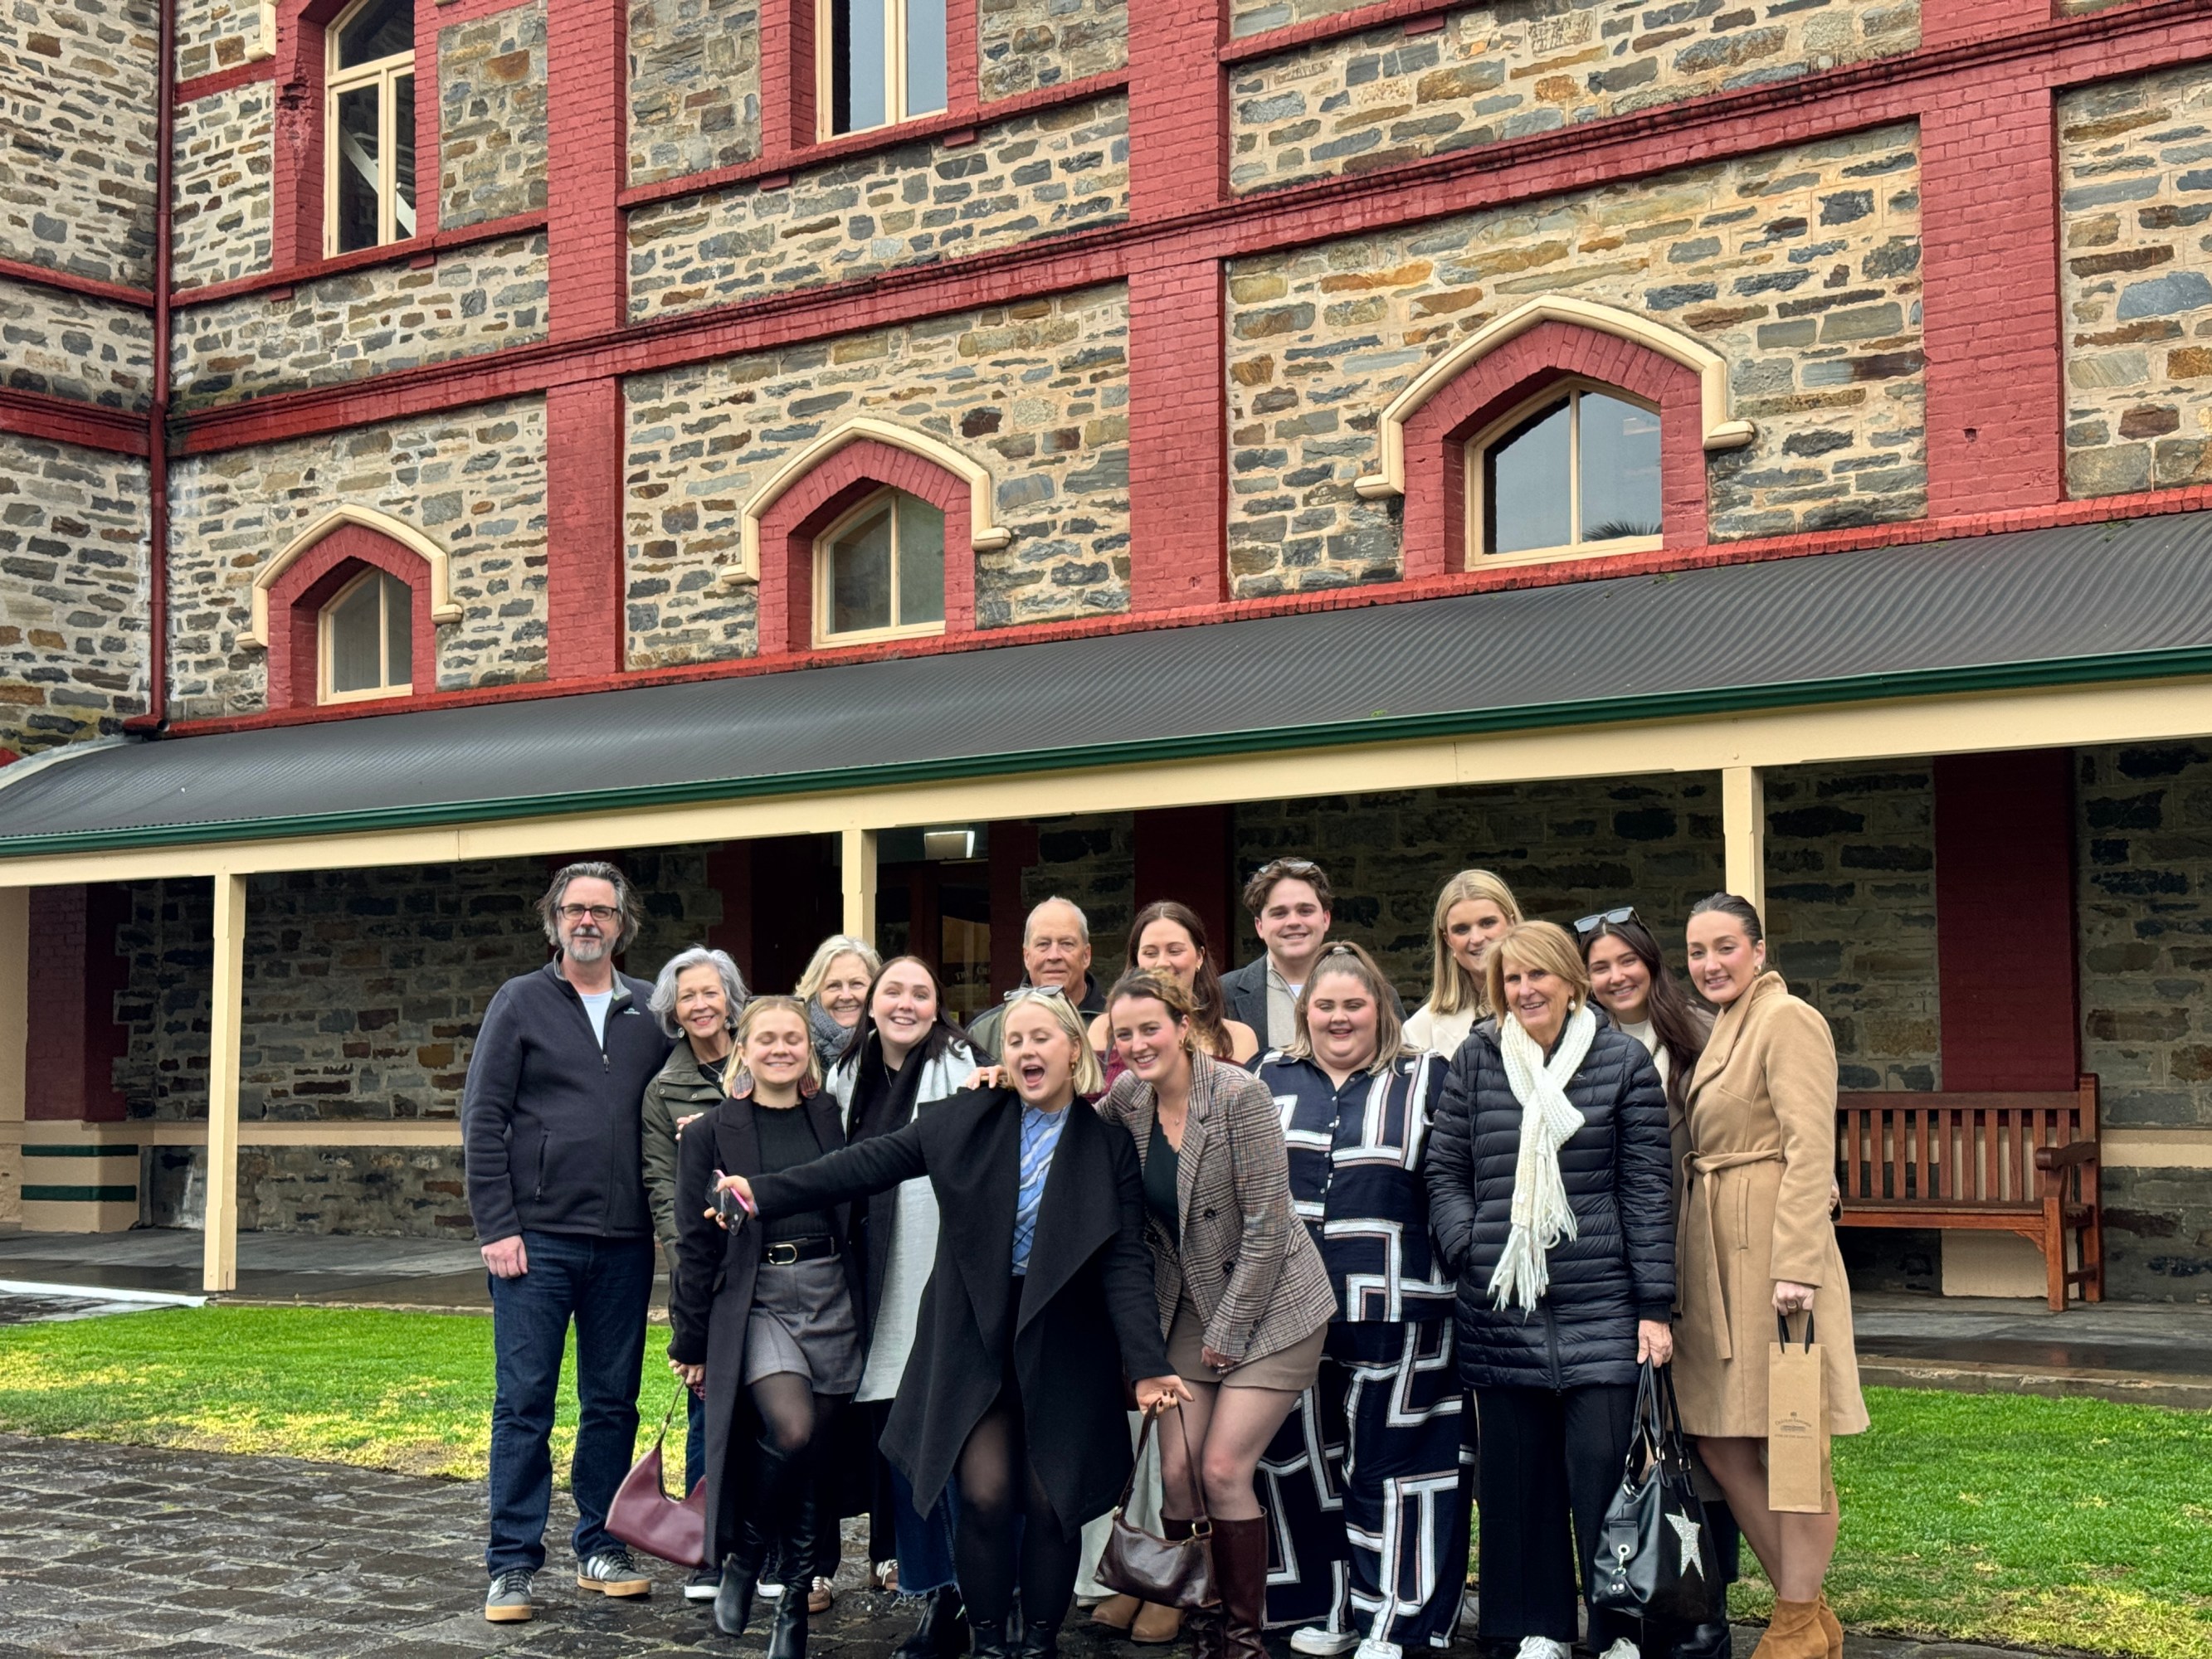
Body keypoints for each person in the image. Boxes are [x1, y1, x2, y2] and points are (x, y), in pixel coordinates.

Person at [719, 989, 1187, 1659]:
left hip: (1066, 1345)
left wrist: (1147, 1365)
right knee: (986, 1495)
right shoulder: (971, 1117)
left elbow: (1125, 1264)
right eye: (1015, 1042)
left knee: (1052, 1503)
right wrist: (762, 1192)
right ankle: (991, 1642)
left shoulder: (1107, 1144)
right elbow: (869, 1164)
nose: (1027, 1051)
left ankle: (1040, 1645)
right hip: (975, 1340)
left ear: (1073, 1050)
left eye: (1041, 1039)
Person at [1424, 921, 1674, 1659]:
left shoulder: (1622, 1063)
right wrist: (1471, 1249)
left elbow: (1648, 1191)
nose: (1526, 991)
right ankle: (1533, 1627)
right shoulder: (1476, 1060)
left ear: (1573, 982)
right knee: (1518, 1479)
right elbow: (1446, 1170)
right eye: (1512, 980)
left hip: (1603, 1307)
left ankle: (1621, 1629)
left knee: (1604, 1471)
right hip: (1504, 1303)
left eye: (1539, 976)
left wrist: (1654, 1307)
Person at [1096, 971, 1337, 1659]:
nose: (1140, 1044)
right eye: (1125, 1034)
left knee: (1224, 1470)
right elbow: (1071, 1130)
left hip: (1275, 1303)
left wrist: (1230, 1332)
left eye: (1151, 1028)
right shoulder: (1126, 1101)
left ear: (1181, 1026)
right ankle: (1198, 1620)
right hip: (1188, 1304)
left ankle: (1243, 1638)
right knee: (1176, 1471)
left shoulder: (1239, 1094)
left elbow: (1267, 1224)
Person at [463, 861, 674, 1624]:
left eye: (604, 912)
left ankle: (601, 1545)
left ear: (624, 924)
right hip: (537, 1244)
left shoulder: (654, 1007)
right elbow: (483, 1119)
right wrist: (498, 1226)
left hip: (624, 1243)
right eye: (575, 910)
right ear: (553, 920)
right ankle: (512, 1564)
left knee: (611, 1403)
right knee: (524, 1405)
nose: (589, 922)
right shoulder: (519, 1001)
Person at [1260, 943, 1467, 1659]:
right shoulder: (1269, 1077)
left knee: (1401, 1469)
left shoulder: (1427, 1078)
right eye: (1325, 1006)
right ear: (1304, 1012)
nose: (1339, 1018)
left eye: (1354, 1004)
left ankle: (1401, 1620)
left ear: (1381, 1008)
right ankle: (1335, 1608)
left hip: (1404, 1308)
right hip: (1293, 1314)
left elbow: (1456, 1179)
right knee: (1308, 1467)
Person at [1675, 893, 1869, 1659]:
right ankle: (1807, 1605)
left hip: (1774, 1261)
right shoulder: (1726, 1023)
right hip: (1714, 1253)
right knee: (1719, 1438)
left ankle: (1794, 1619)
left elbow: (1809, 1143)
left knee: (1792, 1443)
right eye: (1696, 951)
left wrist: (1798, 1266)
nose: (1711, 963)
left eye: (1725, 947)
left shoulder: (1788, 1019)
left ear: (1758, 949)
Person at [669, 996, 865, 1657]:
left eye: (793, 1039)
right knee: (792, 1428)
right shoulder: (710, 1133)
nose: (780, 1049)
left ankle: (793, 1605)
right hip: (759, 1300)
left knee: (813, 1460)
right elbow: (693, 1247)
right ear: (742, 1051)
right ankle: (747, 1551)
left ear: (809, 1050)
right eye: (767, 1039)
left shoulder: (833, 1119)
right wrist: (689, 1340)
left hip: (832, 1294)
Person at [1577, 908, 1735, 1659]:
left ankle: (1704, 1603)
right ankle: (1641, 1601)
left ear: (1651, 963)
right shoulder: (1582, 1049)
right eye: (1599, 966)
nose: (1615, 977)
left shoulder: (1701, 1038)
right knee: (1641, 1433)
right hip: (1622, 1271)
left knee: (1700, 1435)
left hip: (1699, 1256)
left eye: (1625, 961)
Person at [826, 956, 982, 1659]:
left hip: (940, 1278)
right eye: (894, 990)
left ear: (938, 1005)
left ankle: (973, 1590)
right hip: (873, 1285)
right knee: (900, 1451)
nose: (906, 1003)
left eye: (922, 992)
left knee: (946, 1450)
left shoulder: (961, 1062)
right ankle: (933, 1591)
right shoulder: (844, 1073)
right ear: (870, 1001)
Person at [641, 945, 752, 1602]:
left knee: (772, 1412)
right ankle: (710, 1548)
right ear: (674, 1012)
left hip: (774, 1262)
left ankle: (761, 1548)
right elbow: (664, 1192)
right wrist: (693, 1282)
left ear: (731, 998)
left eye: (712, 992)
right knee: (708, 1409)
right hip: (708, 1270)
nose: (702, 1005)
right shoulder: (662, 1091)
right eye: (689, 997)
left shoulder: (768, 1058)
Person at [1088, 898, 1259, 1070]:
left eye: (1175, 951)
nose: (1162, 962)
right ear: (1137, 960)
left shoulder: (1238, 1038)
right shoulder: (1105, 1029)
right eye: (1150, 953)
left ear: (1199, 957)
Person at [1401, 870, 1523, 1059]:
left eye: (1487, 923)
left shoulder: (1546, 1001)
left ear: (1512, 922)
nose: (1476, 938)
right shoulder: (1420, 1030)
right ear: (1448, 940)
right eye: (1462, 929)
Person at [1219, 859, 1337, 1049]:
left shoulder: (1374, 989)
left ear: (1325, 919)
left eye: (1305, 911)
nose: (1293, 921)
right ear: (1260, 926)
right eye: (1279, 913)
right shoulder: (1222, 995)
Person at [967, 897, 1105, 1058]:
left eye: (1066, 944)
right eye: (1043, 944)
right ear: (1027, 957)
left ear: (1086, 956)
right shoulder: (984, 1034)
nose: (1054, 956)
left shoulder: (1116, 1024)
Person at [797, 935, 883, 1070]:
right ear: (815, 992)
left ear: (876, 988)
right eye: (834, 985)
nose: (846, 996)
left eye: (856, 984)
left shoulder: (894, 1047)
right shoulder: (795, 1050)